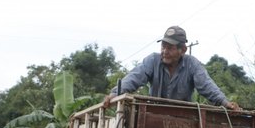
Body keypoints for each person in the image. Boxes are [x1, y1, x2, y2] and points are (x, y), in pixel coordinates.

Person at [103, 26, 240, 110]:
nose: (165, 51)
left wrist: (225, 102)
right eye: (163, 46)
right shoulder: (153, 60)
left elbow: (206, 85)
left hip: (182, 120)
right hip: (152, 116)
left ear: (183, 50)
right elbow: (135, 77)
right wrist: (115, 93)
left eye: (170, 48)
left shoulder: (192, 64)